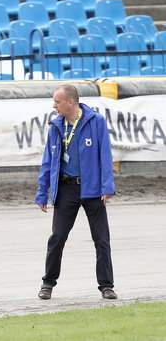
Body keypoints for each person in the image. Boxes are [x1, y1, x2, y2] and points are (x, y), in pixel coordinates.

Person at [35, 84, 117, 300]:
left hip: (92, 189)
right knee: (57, 237)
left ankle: (107, 286)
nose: (54, 105)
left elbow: (105, 156)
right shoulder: (55, 126)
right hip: (66, 189)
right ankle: (47, 283)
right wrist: (42, 193)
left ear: (70, 102)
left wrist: (107, 187)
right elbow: (47, 162)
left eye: (57, 101)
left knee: (101, 239)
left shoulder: (96, 121)